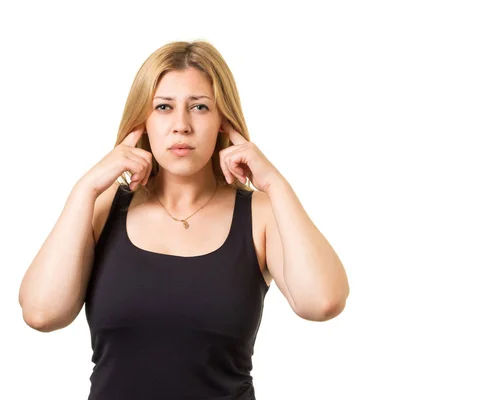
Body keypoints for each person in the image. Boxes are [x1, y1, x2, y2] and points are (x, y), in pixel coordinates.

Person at [18, 40, 349, 399]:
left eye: (200, 107)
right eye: (163, 107)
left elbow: (323, 302)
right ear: (143, 121)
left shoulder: (261, 215)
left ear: (223, 121)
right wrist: (83, 190)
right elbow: (41, 313)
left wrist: (274, 183)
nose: (181, 125)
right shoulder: (102, 208)